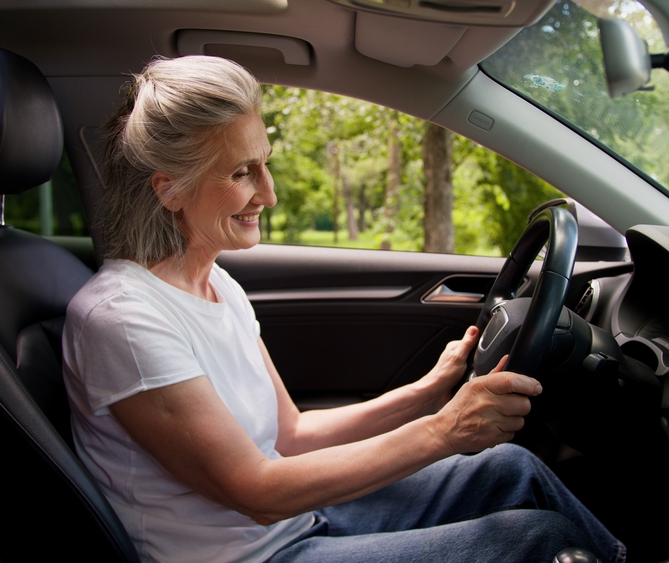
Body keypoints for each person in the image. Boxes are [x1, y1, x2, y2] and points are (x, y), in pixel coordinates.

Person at [63, 55, 625, 563]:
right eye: (242, 173)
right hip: (253, 557)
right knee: (533, 542)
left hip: (297, 522)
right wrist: (444, 431)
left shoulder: (220, 287)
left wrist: (429, 392)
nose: (269, 192)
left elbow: (292, 435)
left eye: (265, 163)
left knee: (513, 469)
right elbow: (255, 491)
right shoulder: (123, 319)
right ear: (171, 190)